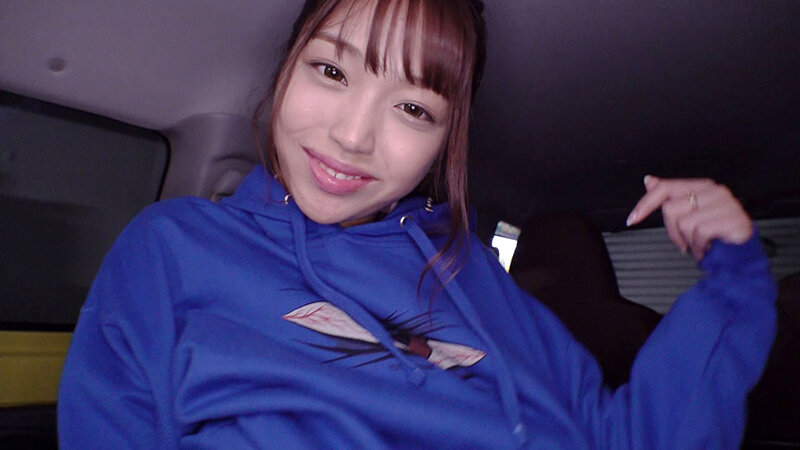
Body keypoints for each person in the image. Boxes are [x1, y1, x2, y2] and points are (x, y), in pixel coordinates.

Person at [57, 0, 776, 448]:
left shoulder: (478, 283)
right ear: (286, 70)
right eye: (332, 72)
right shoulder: (174, 248)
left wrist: (735, 278)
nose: (352, 137)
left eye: (413, 109)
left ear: (444, 140)